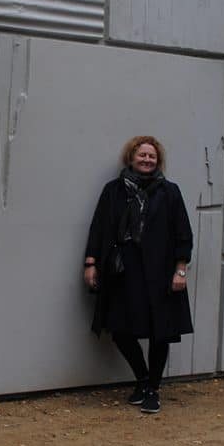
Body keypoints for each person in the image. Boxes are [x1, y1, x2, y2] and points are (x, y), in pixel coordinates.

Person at [83, 136, 194, 413]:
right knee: (119, 328)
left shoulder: (170, 192)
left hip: (160, 271)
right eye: (142, 155)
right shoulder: (113, 191)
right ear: (131, 158)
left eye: (151, 156)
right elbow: (98, 228)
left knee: (161, 331)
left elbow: (183, 234)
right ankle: (143, 379)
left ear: (158, 161)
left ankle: (152, 390)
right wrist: (90, 263)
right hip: (123, 270)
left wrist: (180, 270)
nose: (147, 160)